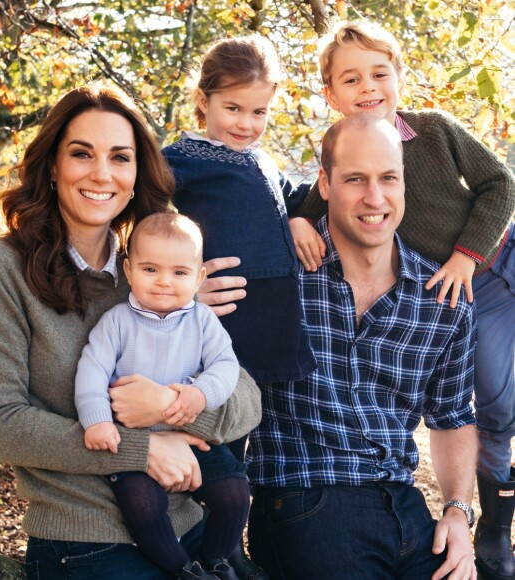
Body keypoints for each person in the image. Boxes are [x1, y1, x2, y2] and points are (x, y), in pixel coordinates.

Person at [0, 83, 262, 580]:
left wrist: (169, 405)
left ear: (137, 171)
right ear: (53, 164)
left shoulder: (152, 271)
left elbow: (248, 400)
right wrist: (144, 448)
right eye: (82, 153)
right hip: (86, 542)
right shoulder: (0, 267)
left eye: (120, 157)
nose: (102, 174)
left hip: (191, 526)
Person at [290, 21, 515, 580]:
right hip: (457, 294)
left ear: (398, 77)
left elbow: (501, 185)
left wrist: (466, 253)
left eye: (379, 73)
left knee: (500, 405)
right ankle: (493, 527)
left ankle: (494, 520)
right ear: (330, 94)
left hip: (493, 263)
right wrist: (295, 218)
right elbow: (307, 194)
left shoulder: (433, 131)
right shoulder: (341, 158)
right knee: (487, 405)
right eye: (351, 78)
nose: (368, 87)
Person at [245, 114, 478, 580]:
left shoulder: (442, 301)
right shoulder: (276, 278)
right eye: (356, 180)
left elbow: (452, 417)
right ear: (325, 184)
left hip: (405, 508)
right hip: (304, 497)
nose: (375, 198)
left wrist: (456, 512)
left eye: (388, 178)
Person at [162, 35, 315, 580]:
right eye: (233, 108)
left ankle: (235, 538)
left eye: (259, 111)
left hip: (270, 320)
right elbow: (143, 223)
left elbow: (292, 195)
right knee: (216, 430)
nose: (247, 123)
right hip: (224, 321)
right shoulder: (181, 160)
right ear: (203, 101)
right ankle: (215, 543)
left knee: (251, 436)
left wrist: (297, 216)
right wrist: (180, 282)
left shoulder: (262, 158)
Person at [75, 212, 249, 579]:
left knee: (233, 492)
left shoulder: (202, 320)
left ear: (200, 276)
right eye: (150, 269)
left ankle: (217, 558)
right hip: (135, 441)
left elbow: (225, 366)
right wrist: (97, 420)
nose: (164, 283)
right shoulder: (117, 321)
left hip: (191, 439)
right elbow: (91, 371)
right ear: (129, 269)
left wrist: (200, 395)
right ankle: (183, 568)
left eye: (179, 273)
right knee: (141, 505)